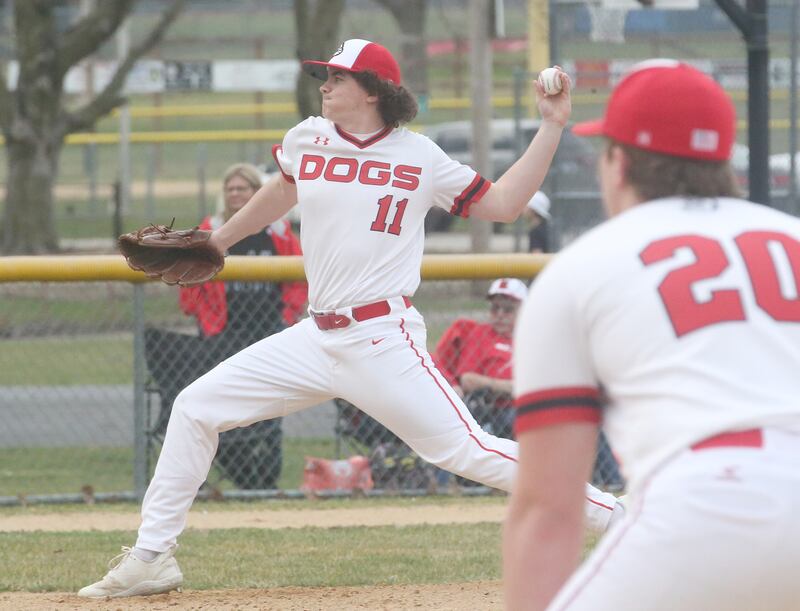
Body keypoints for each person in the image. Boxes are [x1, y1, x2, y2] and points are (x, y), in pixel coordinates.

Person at [79, 39, 622, 599]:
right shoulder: (306, 137)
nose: (325, 85)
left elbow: (505, 203)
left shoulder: (420, 156)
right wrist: (219, 239)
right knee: (195, 407)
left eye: (337, 77)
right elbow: (284, 189)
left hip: (383, 339)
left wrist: (552, 126)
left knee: (467, 450)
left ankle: (617, 518)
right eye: (325, 76)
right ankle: (151, 557)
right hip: (317, 336)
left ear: (372, 90)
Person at [504, 59, 800, 611]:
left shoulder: (582, 268)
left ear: (618, 164)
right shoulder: (793, 237)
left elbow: (549, 508)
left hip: (709, 501)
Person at [434, 278, 527, 440]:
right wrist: (507, 387)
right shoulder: (482, 334)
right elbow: (468, 379)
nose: (499, 315)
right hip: (497, 411)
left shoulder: (532, 338)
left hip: (528, 407)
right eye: (495, 308)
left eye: (508, 309)